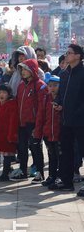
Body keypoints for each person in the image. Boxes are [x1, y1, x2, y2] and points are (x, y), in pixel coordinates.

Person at [53, 44, 84, 194]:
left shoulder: (83, 73)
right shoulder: (64, 73)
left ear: (78, 56)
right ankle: (66, 181)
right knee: (65, 151)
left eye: (70, 53)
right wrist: (58, 103)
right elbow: (60, 94)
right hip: (65, 120)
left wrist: (77, 112)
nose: (67, 55)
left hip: (80, 121)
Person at [10, 59, 47, 180]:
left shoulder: (40, 85)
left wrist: (38, 125)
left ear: (33, 70)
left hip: (33, 123)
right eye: (22, 69)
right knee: (22, 148)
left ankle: (40, 173)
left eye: (26, 69)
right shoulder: (21, 85)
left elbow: (42, 108)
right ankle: (23, 171)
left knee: (36, 148)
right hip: (21, 123)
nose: (23, 71)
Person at [36, 74, 62, 188]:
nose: (52, 88)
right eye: (50, 85)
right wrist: (38, 131)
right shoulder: (46, 98)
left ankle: (59, 177)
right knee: (51, 156)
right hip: (48, 133)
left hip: (59, 133)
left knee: (60, 156)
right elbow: (40, 116)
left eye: (55, 85)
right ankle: (51, 176)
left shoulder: (62, 98)